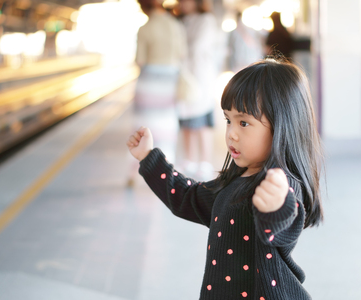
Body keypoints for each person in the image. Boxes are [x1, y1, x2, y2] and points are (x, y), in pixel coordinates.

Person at [126, 58, 324, 299]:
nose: (231, 133)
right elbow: (187, 198)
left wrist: (276, 207)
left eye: (244, 123)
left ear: (282, 125)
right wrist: (149, 158)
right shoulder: (234, 184)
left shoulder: (281, 183)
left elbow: (282, 225)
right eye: (228, 120)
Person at [127, 0, 187, 186]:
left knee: (142, 130)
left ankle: (133, 176)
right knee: (167, 129)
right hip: (170, 82)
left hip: (149, 83)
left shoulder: (145, 28)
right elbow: (182, 54)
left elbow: (140, 60)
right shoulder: (175, 25)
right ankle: (166, 175)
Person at [176, 0, 219, 180]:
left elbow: (197, 47)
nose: (181, 2)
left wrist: (179, 51)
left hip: (201, 78)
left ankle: (205, 162)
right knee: (186, 120)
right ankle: (190, 160)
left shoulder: (206, 20)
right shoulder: (181, 20)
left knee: (202, 122)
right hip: (185, 77)